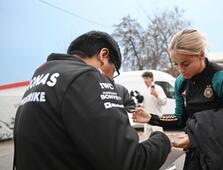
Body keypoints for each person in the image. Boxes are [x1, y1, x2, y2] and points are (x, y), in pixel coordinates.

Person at [13, 31, 171, 170]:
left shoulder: (40, 77)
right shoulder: (87, 77)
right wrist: (162, 140)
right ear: (103, 55)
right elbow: (129, 162)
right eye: (114, 70)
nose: (111, 78)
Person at [133, 28, 223, 169]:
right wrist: (151, 118)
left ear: (201, 55)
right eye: (176, 64)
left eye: (185, 64)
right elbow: (180, 118)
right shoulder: (180, 82)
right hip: (199, 154)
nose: (181, 70)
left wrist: (196, 138)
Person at [141, 71, 167, 138]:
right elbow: (143, 105)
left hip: (157, 119)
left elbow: (164, 102)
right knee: (148, 140)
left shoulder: (158, 88)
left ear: (151, 78)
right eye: (144, 78)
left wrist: (156, 95)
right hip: (147, 120)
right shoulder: (143, 91)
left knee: (159, 140)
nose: (145, 80)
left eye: (147, 78)